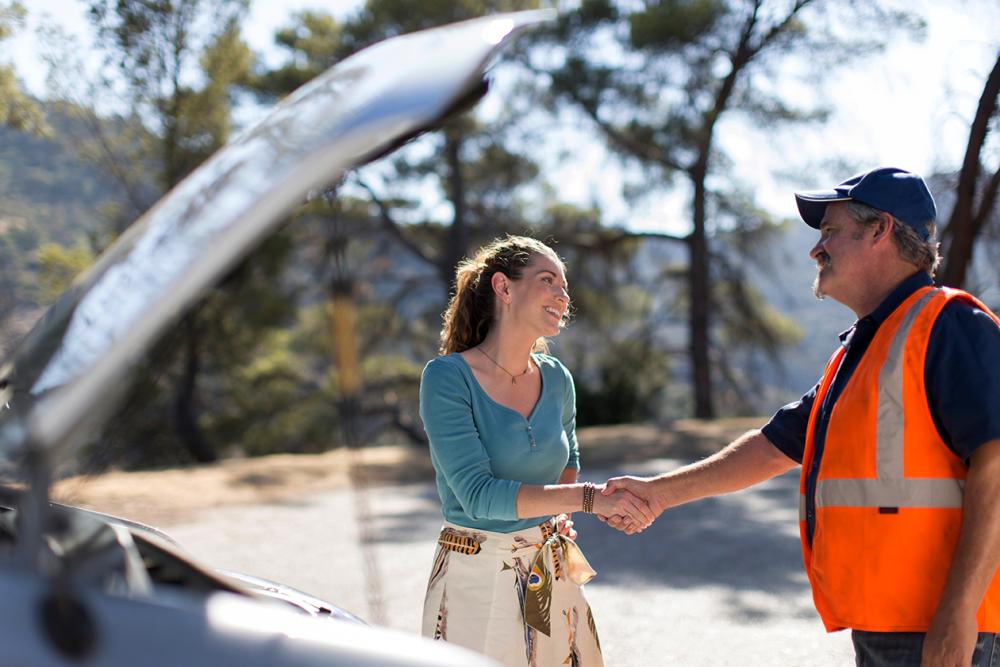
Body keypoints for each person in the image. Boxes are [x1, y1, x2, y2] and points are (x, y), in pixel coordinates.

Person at [602, 167, 1000, 666]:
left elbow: (997, 467)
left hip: (945, 628)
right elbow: (772, 446)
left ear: (880, 230)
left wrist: (959, 611)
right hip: (890, 626)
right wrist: (656, 494)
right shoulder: (866, 348)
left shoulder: (951, 324)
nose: (817, 248)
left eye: (830, 232)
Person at [419, 235, 654, 667]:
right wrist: (588, 499)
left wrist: (562, 514)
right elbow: (478, 495)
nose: (563, 296)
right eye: (548, 281)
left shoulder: (558, 378)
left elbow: (569, 462)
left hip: (552, 570)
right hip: (477, 574)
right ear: (503, 288)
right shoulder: (446, 378)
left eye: (565, 287)